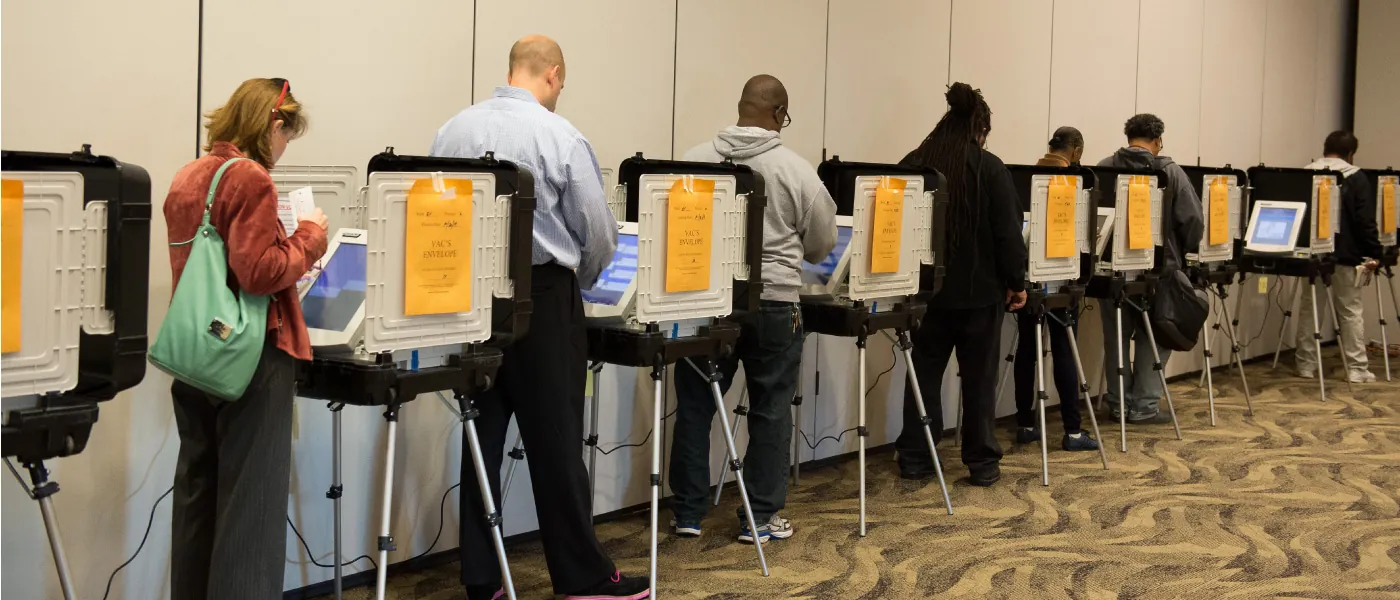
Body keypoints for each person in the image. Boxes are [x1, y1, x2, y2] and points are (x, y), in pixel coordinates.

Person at [430, 35, 648, 600]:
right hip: (545, 299)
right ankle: (583, 578)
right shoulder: (559, 136)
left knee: (481, 437)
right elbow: (598, 234)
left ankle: (484, 575)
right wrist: (585, 281)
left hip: (472, 300)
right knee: (555, 442)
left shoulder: (452, 130)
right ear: (553, 74)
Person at [165, 77, 329, 599]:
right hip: (252, 358)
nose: (283, 151)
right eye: (286, 137)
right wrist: (310, 236)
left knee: (199, 493)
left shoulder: (190, 174)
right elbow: (259, 272)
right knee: (251, 509)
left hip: (196, 353)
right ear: (273, 124)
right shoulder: (252, 178)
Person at [670, 74, 838, 543]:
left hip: (708, 303)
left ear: (741, 106)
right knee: (770, 409)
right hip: (774, 304)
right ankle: (759, 518)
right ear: (779, 114)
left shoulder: (694, 159)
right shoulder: (796, 169)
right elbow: (822, 244)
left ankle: (686, 513)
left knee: (696, 407)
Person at [895, 83, 1027, 487]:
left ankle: (916, 457)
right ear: (980, 130)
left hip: (925, 296)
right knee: (979, 380)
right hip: (980, 294)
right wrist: (1016, 283)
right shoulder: (989, 167)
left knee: (923, 374)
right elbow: (1007, 233)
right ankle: (981, 462)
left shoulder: (915, 163)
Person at [1095, 114, 1203, 424]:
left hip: (1110, 271)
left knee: (1115, 337)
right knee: (1155, 335)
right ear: (1158, 140)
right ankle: (1143, 407)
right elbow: (1193, 222)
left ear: (1128, 136)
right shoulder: (1169, 172)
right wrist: (1180, 253)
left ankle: (1117, 404)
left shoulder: (1105, 166)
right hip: (1158, 272)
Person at [1012, 128, 1098, 451]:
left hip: (1027, 279)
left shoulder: (1026, 176)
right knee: (1064, 349)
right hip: (1060, 277)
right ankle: (1073, 432)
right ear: (1075, 150)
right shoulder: (1072, 182)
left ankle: (1024, 423)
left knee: (1026, 350)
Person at [1297, 131, 1382, 383]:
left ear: (1324, 148)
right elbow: (1364, 221)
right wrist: (1375, 253)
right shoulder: (1357, 177)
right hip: (1346, 256)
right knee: (1350, 310)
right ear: (1351, 153)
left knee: (1309, 309)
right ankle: (1356, 368)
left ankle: (1305, 364)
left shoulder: (1305, 172)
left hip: (1311, 255)